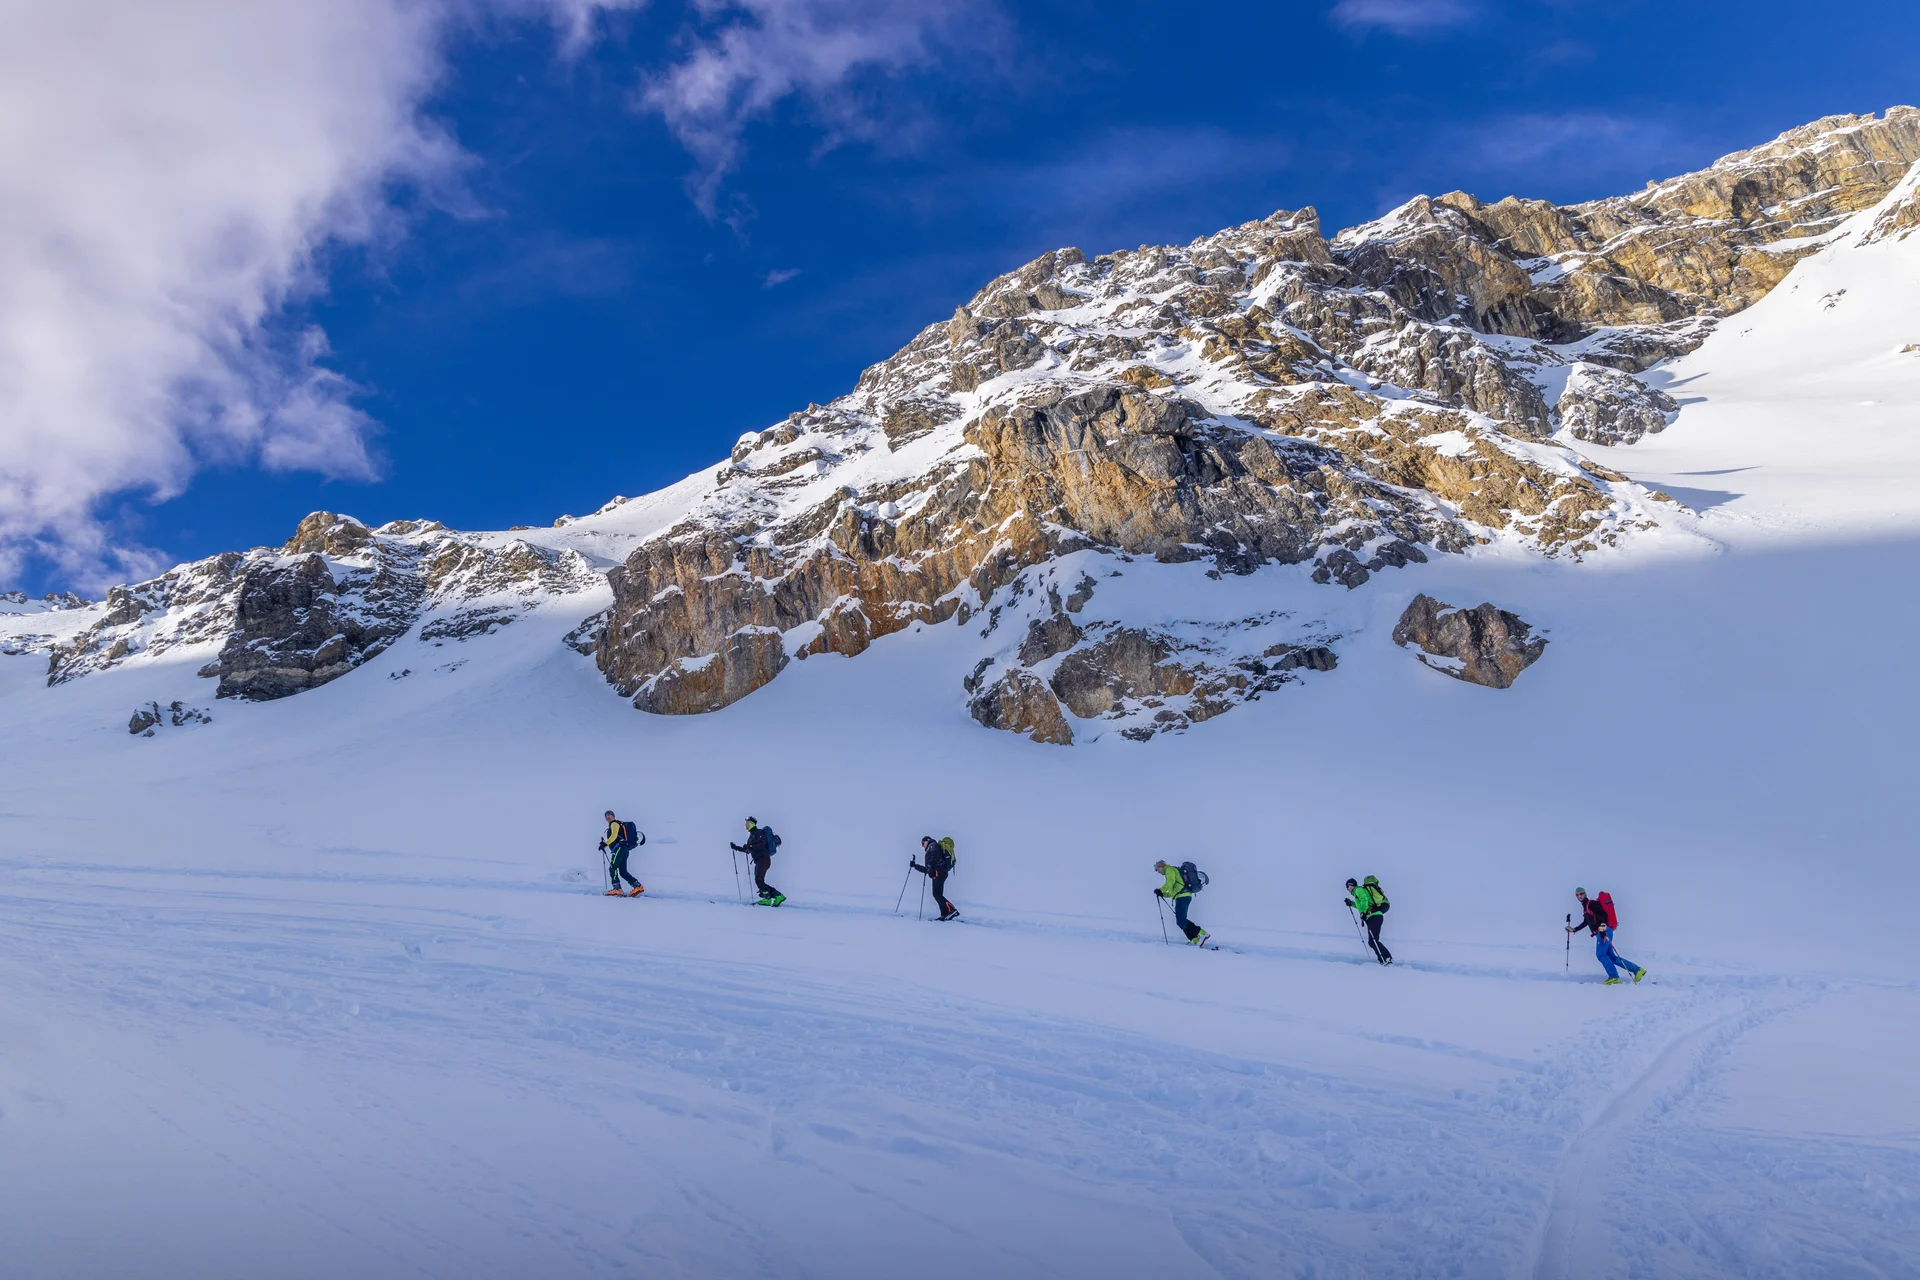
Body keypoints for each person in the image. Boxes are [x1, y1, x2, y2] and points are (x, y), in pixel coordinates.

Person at [1567, 887, 1646, 984]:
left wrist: (1603, 930)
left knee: (1600, 954)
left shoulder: (1591, 904)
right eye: (1577, 895)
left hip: (1603, 931)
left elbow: (1603, 915)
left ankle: (1614, 977)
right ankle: (1638, 970)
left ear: (1585, 894)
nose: (1580, 896)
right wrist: (1575, 929)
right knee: (1612, 957)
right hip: (1603, 931)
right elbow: (1586, 922)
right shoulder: (1586, 907)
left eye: (1581, 893)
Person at [730, 817, 785, 906]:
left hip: (763, 859)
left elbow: (761, 845)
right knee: (759, 880)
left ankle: (774, 897)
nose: (745, 825)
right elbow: (747, 850)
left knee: (759, 880)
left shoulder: (758, 833)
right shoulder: (751, 836)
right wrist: (735, 847)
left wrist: (750, 847)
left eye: (747, 823)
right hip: (760, 860)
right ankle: (771, 897)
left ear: (751, 823)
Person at [1154, 860, 1208, 945]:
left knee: (1181, 920)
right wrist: (1162, 894)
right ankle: (1195, 939)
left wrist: (1160, 890)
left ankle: (1202, 933)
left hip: (1183, 896)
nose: (1158, 872)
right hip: (1181, 896)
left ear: (1161, 866)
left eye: (1157, 869)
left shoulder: (1169, 869)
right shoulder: (1171, 871)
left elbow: (1169, 883)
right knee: (1180, 921)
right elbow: (1172, 892)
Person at [1345, 876, 1392, 965]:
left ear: (1351, 885)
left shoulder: (1358, 890)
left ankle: (1387, 958)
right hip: (1373, 917)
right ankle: (1383, 959)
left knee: (1373, 940)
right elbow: (1362, 904)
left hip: (1374, 916)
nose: (1347, 889)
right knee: (1372, 941)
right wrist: (1351, 903)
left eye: (1347, 886)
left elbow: (1364, 900)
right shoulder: (1357, 894)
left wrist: (1362, 912)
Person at [911, 836, 958, 921]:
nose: (922, 846)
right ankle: (945, 913)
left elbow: (935, 857)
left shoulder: (932, 845)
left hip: (939, 872)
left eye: (923, 843)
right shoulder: (931, 848)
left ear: (927, 840)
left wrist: (930, 866)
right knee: (937, 894)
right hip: (939, 873)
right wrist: (915, 866)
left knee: (936, 894)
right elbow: (927, 869)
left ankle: (951, 910)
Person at [599, 810, 643, 896]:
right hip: (624, 849)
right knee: (623, 872)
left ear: (613, 816)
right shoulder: (616, 824)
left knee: (613, 868)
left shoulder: (614, 824)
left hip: (619, 848)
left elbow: (614, 835)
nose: (607, 817)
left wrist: (605, 844)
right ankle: (637, 886)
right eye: (606, 816)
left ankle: (617, 889)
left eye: (609, 815)